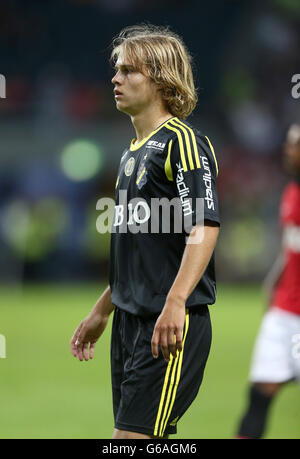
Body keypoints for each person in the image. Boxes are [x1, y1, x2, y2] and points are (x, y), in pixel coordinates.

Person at [70, 24, 220, 439]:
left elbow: (204, 226)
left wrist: (175, 302)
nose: (115, 79)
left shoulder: (183, 142)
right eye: (116, 70)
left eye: (129, 71)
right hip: (130, 324)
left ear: (160, 80)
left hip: (169, 320)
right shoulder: (131, 152)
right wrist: (104, 308)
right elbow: (134, 246)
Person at [236, 124, 300, 439]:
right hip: (284, 313)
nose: (289, 149)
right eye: (289, 143)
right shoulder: (291, 193)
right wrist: (273, 281)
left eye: (295, 144)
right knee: (259, 394)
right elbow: (290, 249)